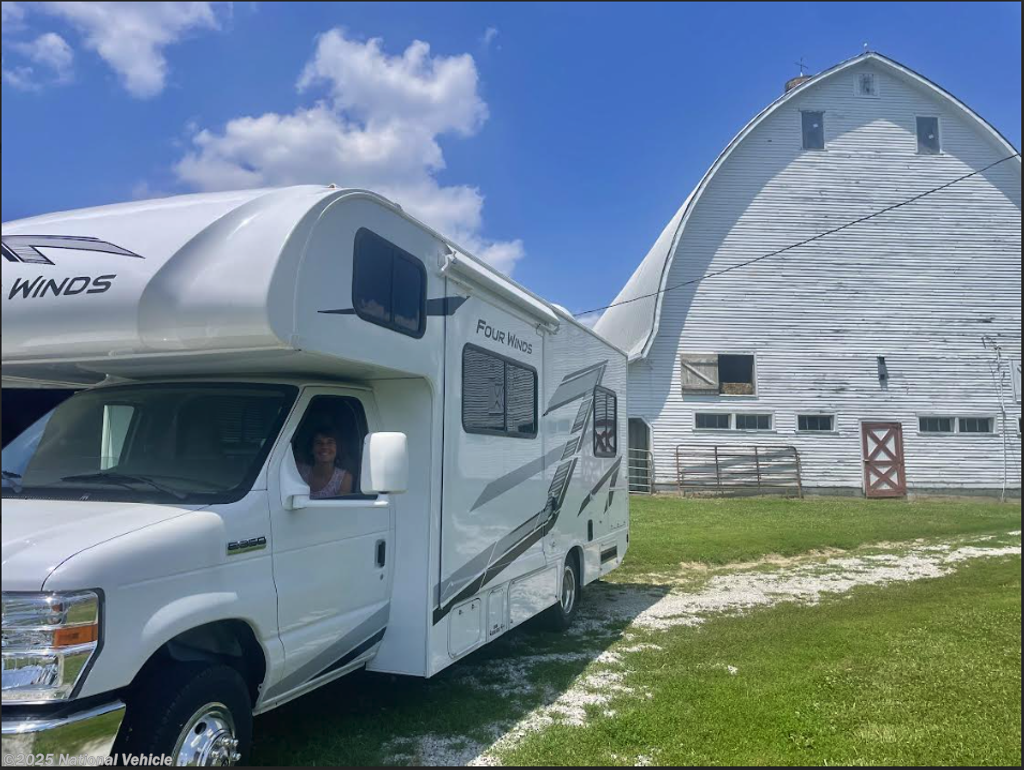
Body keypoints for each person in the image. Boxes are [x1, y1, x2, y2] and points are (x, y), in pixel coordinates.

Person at [295, 424, 353, 499]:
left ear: (337, 448)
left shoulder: (344, 478)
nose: (324, 447)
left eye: (330, 442)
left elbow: (339, 509)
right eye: (319, 443)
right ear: (311, 449)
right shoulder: (299, 471)